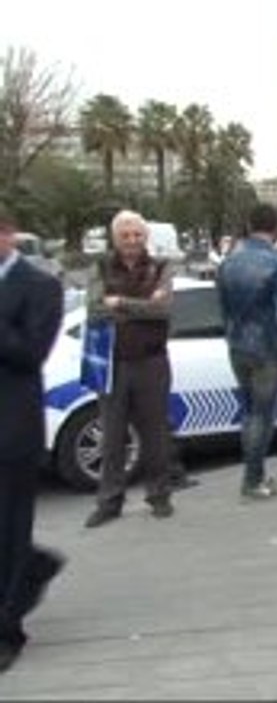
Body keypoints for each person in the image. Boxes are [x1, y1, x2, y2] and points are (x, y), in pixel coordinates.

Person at [0, 205, 66, 673]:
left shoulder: (41, 287)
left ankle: (8, 631)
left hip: (12, 426)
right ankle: (35, 565)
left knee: (8, 528)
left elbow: (29, 354)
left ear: (6, 236)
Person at [83, 211, 178, 528]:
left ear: (146, 237)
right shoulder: (99, 267)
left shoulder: (161, 267)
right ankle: (109, 502)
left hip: (152, 362)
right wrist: (143, 305)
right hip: (112, 363)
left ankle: (159, 496)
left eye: (137, 235)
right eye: (125, 235)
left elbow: (163, 310)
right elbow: (95, 309)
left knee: (155, 434)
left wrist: (120, 303)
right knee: (112, 437)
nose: (132, 241)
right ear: (115, 238)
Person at [216, 204, 277, 500]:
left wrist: (231, 338)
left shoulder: (229, 261)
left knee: (249, 413)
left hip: (238, 346)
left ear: (249, 224)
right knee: (262, 415)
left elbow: (223, 310)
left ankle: (255, 475)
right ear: (275, 227)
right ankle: (253, 479)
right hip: (267, 349)